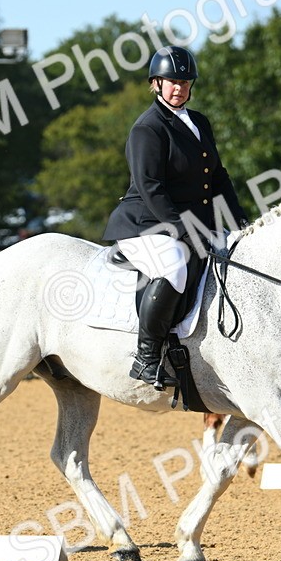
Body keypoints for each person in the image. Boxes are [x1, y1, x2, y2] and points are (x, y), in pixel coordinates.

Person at [103, 45, 250, 390]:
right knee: (173, 265)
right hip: (146, 223)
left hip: (192, 223)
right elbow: (150, 187)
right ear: (156, 83)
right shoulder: (148, 128)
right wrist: (184, 230)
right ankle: (146, 356)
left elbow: (218, 178)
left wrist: (241, 222)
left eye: (184, 82)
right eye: (172, 82)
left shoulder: (199, 122)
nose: (179, 88)